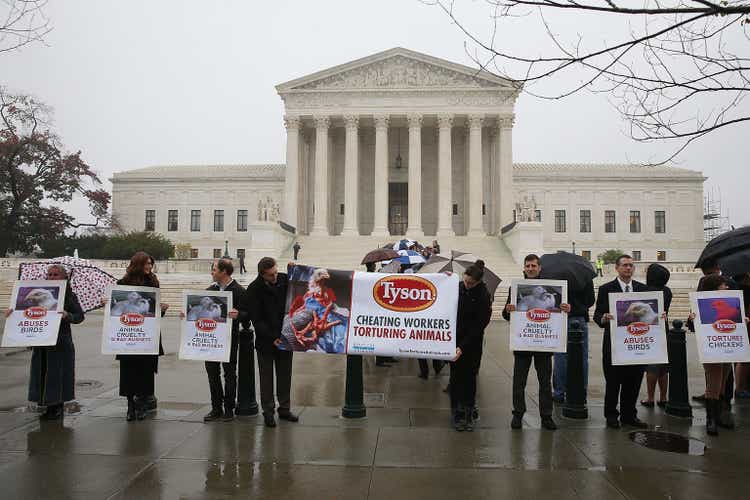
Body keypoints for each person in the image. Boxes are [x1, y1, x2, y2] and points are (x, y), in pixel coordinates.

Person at [5, 265, 85, 420]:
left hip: (60, 343)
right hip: (41, 342)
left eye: (56, 274)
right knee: (41, 373)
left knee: (57, 375)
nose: (52, 277)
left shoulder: (69, 296)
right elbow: (23, 313)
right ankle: (46, 404)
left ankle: (57, 406)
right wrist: (11, 314)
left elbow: (79, 316)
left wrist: (68, 315)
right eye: (49, 274)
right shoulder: (38, 294)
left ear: (64, 278)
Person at [503, 254, 570, 430]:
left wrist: (566, 309)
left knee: (545, 382)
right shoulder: (516, 289)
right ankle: (518, 414)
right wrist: (508, 309)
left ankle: (546, 416)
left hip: (544, 344)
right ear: (524, 268)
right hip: (523, 342)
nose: (531, 269)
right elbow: (506, 315)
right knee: (519, 382)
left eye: (534, 266)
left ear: (539, 268)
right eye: (528, 266)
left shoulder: (551, 293)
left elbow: (559, 313)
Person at [687, 274, 749, 435]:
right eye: (723, 285)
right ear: (714, 287)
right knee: (713, 385)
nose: (727, 287)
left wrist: (743, 321)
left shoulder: (731, 302)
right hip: (712, 351)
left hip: (727, 350)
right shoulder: (701, 303)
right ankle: (711, 420)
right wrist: (692, 320)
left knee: (722, 384)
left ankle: (718, 417)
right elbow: (694, 328)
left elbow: (734, 322)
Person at [593, 254, 649, 429]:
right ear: (617, 268)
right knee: (613, 382)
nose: (628, 268)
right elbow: (596, 315)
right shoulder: (606, 289)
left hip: (636, 344)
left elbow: (650, 313)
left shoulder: (643, 289)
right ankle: (611, 416)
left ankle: (629, 415)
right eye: (625, 265)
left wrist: (660, 316)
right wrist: (604, 317)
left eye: (631, 265)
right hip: (614, 345)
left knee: (633, 382)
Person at [113, 252, 169, 421]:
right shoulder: (122, 283)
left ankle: (143, 405)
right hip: (128, 335)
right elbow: (115, 313)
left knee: (146, 372)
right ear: (138, 264)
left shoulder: (153, 282)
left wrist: (162, 309)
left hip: (147, 335)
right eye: (146, 264)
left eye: (151, 264)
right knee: (128, 371)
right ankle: (130, 406)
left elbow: (155, 314)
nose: (149, 267)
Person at [247, 256, 299, 427]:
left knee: (285, 376)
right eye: (271, 275)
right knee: (266, 379)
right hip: (266, 342)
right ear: (262, 274)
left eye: (276, 272)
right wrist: (273, 337)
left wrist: (294, 270)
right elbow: (257, 319)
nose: (275, 277)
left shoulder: (283, 279)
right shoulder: (254, 289)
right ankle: (268, 411)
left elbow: (301, 285)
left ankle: (284, 409)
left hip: (285, 338)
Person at [198, 258, 248, 422]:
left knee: (229, 374)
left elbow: (249, 314)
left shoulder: (239, 291)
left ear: (224, 272)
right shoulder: (209, 290)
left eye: (214, 270)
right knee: (212, 374)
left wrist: (239, 315)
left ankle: (228, 408)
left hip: (229, 339)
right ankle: (216, 408)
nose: (211, 273)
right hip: (210, 339)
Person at [450, 264, 492, 431]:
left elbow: (479, 325)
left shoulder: (483, 295)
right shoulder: (459, 287)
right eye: (465, 281)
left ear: (478, 282)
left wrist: (462, 347)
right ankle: (457, 412)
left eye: (470, 283)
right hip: (455, 339)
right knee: (455, 377)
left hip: (472, 343)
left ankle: (468, 410)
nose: (466, 285)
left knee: (469, 377)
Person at [552, 263, 595, 404]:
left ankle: (559, 392)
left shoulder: (553, 276)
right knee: (582, 357)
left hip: (561, 318)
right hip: (579, 318)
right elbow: (590, 300)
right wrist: (576, 307)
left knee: (560, 356)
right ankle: (581, 392)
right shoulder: (585, 276)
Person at [641, 263, 673, 409]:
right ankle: (664, 397)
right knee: (663, 366)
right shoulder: (667, 291)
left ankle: (650, 397)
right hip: (663, 329)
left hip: (649, 329)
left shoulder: (645, 291)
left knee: (651, 366)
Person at [733, 273, 750, 398]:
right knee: (744, 358)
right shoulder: (743, 289)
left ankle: (740, 386)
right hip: (745, 324)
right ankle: (740, 387)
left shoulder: (736, 287)